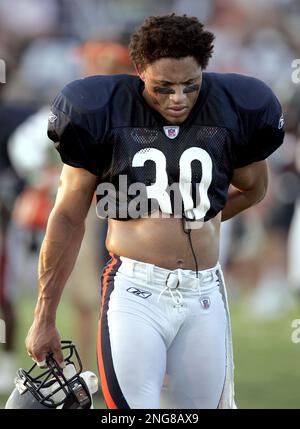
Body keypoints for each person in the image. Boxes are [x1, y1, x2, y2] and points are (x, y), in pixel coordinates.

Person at [25, 14, 285, 409]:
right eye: (164, 87)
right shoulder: (101, 112)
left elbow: (254, 189)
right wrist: (44, 317)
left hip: (204, 293)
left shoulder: (232, 109)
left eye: (189, 86)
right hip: (136, 291)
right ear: (140, 72)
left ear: (203, 72)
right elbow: (66, 217)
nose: (177, 98)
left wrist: (194, 220)